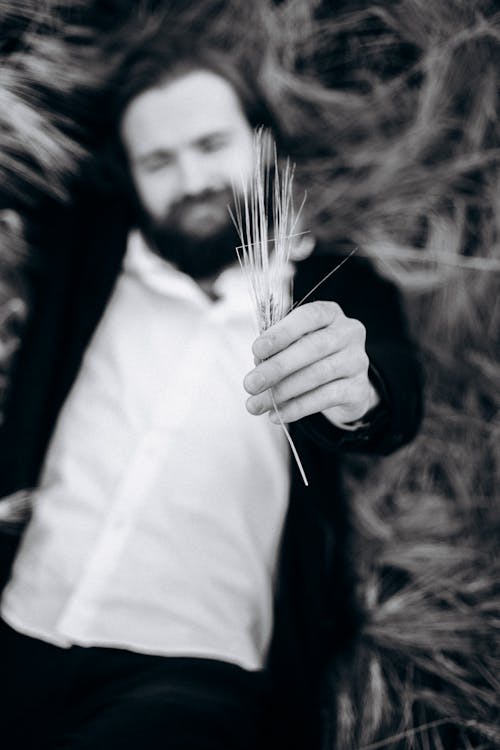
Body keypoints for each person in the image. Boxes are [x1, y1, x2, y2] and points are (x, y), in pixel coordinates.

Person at [0, 45, 422, 750]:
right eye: (159, 161)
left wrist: (358, 387)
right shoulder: (85, 256)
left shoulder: (338, 282)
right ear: (130, 178)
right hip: (17, 617)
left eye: (212, 145)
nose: (193, 179)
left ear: (264, 145)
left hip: (196, 670)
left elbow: (392, 392)